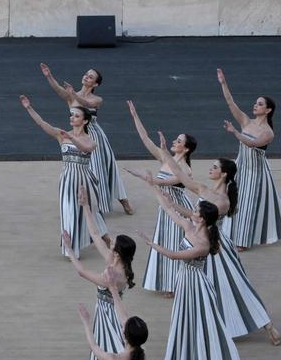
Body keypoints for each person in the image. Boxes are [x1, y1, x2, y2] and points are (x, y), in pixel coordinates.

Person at [63, 191, 174, 360]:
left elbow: (82, 273)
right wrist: (85, 208)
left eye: (112, 245)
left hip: (112, 320)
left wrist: (70, 250)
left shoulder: (115, 275)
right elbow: (94, 235)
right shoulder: (115, 263)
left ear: (118, 253)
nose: (108, 244)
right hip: (105, 317)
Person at [155, 145, 281, 344]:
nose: (210, 169)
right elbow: (181, 176)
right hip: (206, 245)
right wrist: (165, 154)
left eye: (214, 167)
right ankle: (213, 328)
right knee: (212, 290)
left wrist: (172, 206)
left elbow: (198, 219)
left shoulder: (222, 202)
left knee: (234, 287)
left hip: (217, 250)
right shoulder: (206, 190)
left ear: (223, 175)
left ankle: (267, 325)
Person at [140, 189, 248, 360]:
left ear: (203, 218)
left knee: (213, 328)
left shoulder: (203, 244)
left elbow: (174, 255)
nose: (193, 211)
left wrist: (151, 243)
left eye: (196, 210)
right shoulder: (191, 227)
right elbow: (170, 211)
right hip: (185, 283)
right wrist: (153, 187)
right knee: (185, 324)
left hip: (197, 286)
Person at [19, 95, 107, 257]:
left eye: (76, 116)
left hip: (84, 181)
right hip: (67, 180)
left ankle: (105, 238)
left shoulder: (89, 139)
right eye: (71, 115)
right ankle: (72, 249)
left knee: (91, 212)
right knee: (69, 212)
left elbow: (87, 149)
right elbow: (42, 124)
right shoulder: (62, 135)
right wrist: (29, 108)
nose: (72, 118)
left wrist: (72, 137)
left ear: (85, 121)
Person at [123, 102, 192, 296]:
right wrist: (135, 115)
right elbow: (145, 139)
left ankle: (173, 285)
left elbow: (165, 182)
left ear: (185, 149)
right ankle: (169, 282)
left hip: (177, 207)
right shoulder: (165, 158)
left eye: (179, 141)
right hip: (165, 206)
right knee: (165, 240)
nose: (175, 142)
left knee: (173, 243)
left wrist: (144, 177)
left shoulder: (185, 169)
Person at [39, 64, 129, 213]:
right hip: (78, 136)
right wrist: (49, 76)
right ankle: (95, 205)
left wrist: (73, 93)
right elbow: (57, 89)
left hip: (95, 136)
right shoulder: (71, 96)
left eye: (90, 76)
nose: (86, 76)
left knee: (108, 168)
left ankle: (123, 199)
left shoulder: (97, 99)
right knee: (91, 171)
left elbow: (87, 104)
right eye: (86, 74)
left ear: (96, 84)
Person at [217, 68, 277, 247]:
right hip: (240, 167)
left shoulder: (268, 132)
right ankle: (223, 232)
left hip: (256, 173)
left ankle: (243, 241)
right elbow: (230, 102)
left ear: (268, 110)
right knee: (231, 199)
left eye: (259, 104)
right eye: (255, 103)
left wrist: (235, 132)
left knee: (248, 204)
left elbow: (252, 143)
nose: (255, 105)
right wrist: (223, 83)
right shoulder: (246, 121)